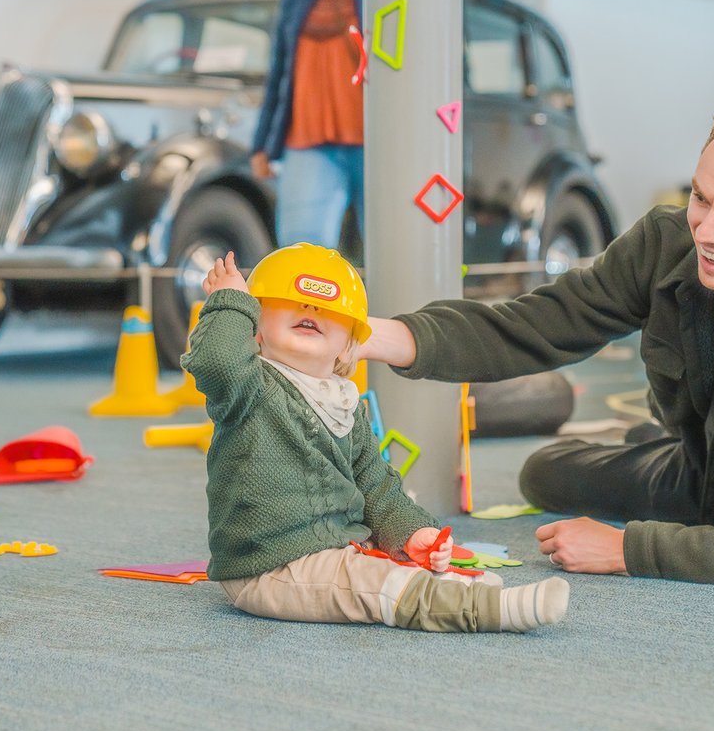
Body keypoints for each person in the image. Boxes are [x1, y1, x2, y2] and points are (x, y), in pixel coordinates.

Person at [359, 95, 714, 586]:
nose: (706, 233)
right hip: (694, 474)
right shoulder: (664, 245)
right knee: (541, 474)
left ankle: (652, 448)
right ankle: (651, 440)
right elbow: (535, 326)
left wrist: (627, 549)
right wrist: (378, 335)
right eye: (700, 198)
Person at [181, 243, 570, 632]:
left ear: (348, 344)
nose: (311, 309)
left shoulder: (345, 404)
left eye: (327, 310)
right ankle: (483, 612)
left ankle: (454, 592)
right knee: (377, 585)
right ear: (256, 327)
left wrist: (413, 532)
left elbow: (375, 485)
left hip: (337, 551)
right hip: (267, 566)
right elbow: (217, 361)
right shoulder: (249, 386)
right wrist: (230, 301)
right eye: (290, 301)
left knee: (384, 567)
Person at [251, 0, 365, 250]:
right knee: (301, 248)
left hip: (376, 139)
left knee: (393, 249)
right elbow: (280, 65)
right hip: (308, 137)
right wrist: (262, 143)